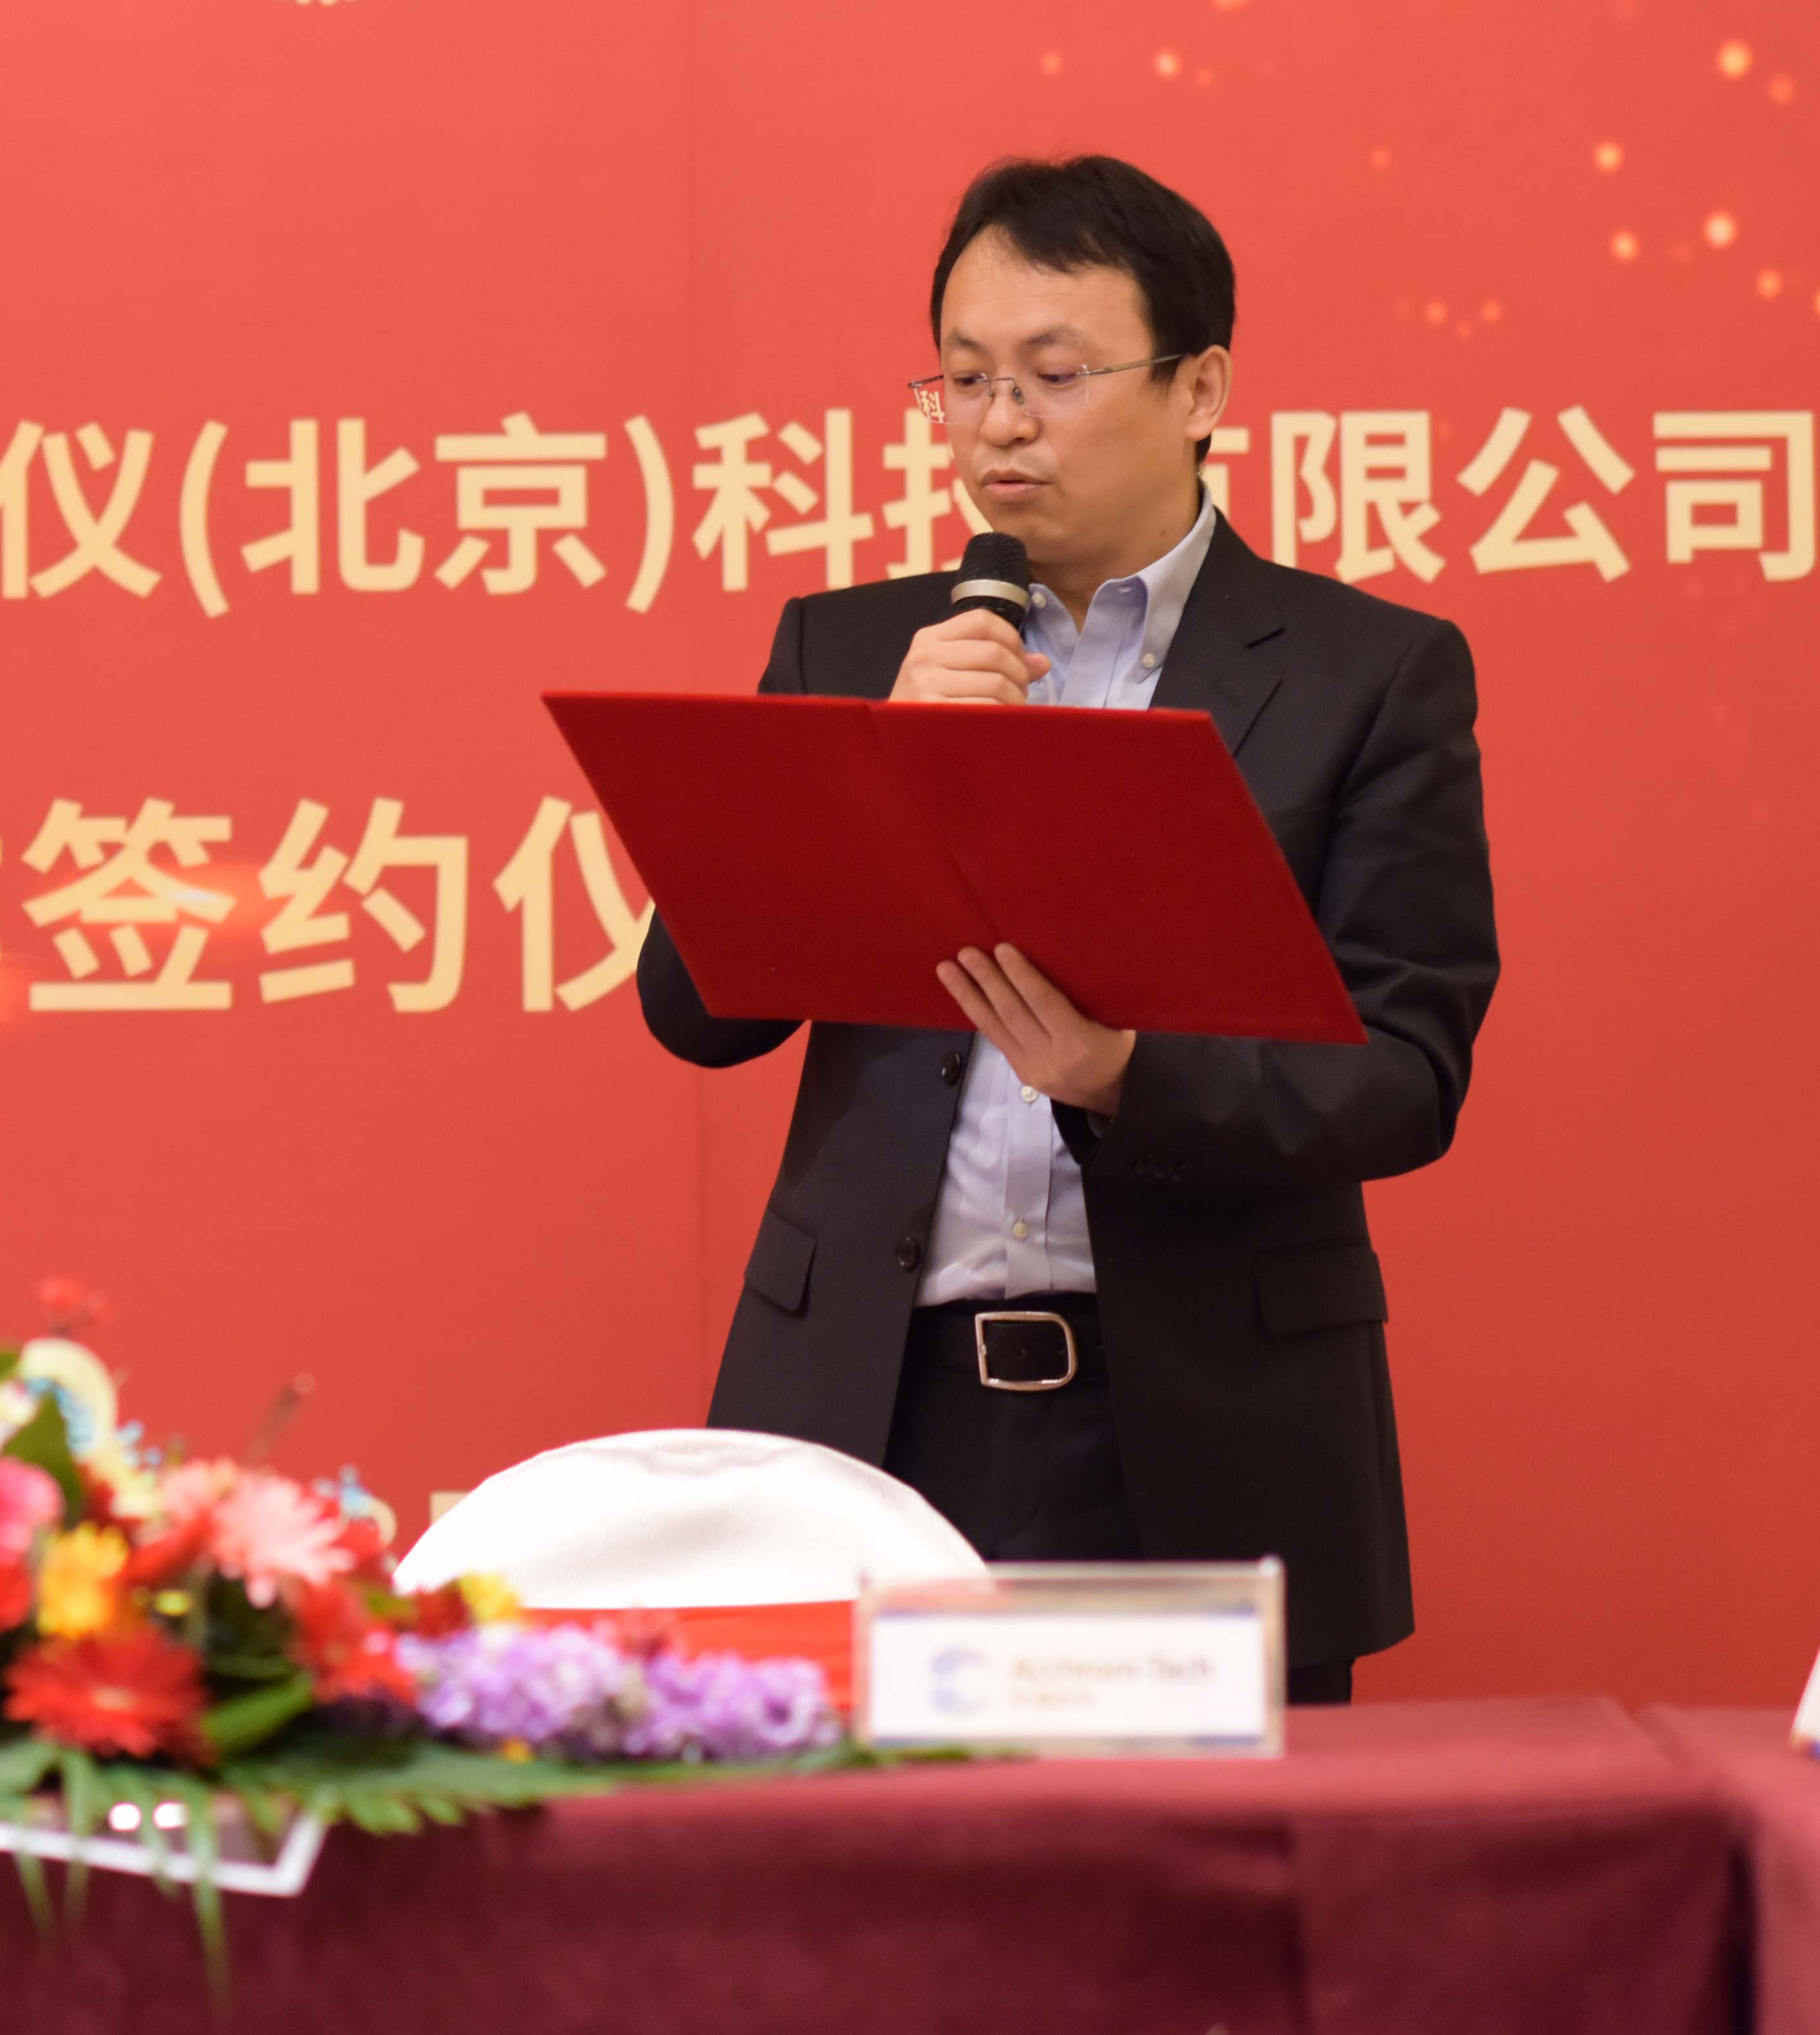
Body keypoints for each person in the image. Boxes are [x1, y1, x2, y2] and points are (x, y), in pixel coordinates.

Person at [636, 155, 1494, 1699]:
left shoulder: (1368, 674)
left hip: (1201, 1429)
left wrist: (1127, 1073)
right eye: (964, 377)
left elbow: (1405, 1070)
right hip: (874, 1417)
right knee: (854, 1857)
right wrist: (869, 764)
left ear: (1200, 386)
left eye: (1054, 372)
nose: (999, 422)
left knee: (1195, 1861)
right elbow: (698, 1006)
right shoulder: (853, 645)